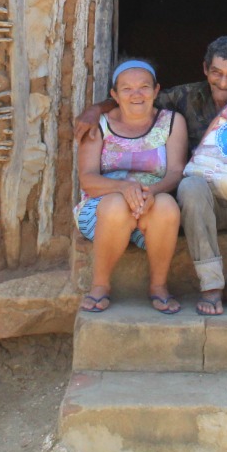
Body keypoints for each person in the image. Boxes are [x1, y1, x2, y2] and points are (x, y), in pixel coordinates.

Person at [75, 36, 227, 317]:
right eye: (216, 72)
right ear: (205, 69)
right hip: (199, 203)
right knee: (190, 185)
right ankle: (211, 285)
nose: (223, 82)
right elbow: (136, 98)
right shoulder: (183, 97)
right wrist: (95, 109)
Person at [73, 59, 188, 315]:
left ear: (156, 90)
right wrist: (124, 188)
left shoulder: (172, 122)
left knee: (168, 206)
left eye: (144, 87)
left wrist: (151, 193)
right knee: (116, 205)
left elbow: (175, 172)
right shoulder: (99, 125)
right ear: (114, 95)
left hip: (150, 203)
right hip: (102, 208)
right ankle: (100, 285)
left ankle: (159, 286)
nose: (136, 94)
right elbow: (87, 178)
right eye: (126, 89)